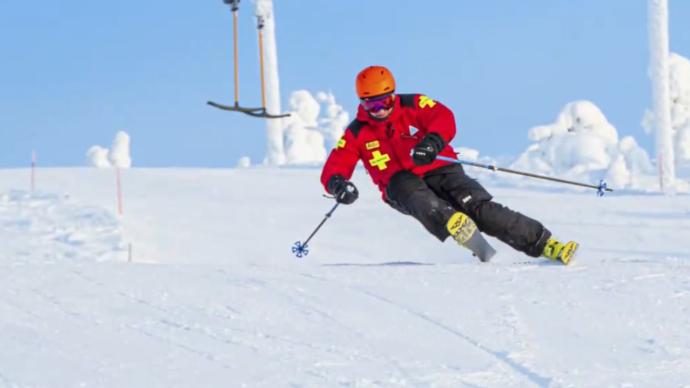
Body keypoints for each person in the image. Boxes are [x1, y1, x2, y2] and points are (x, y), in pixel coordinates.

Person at [320, 65, 578, 264]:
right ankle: (463, 231)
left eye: (384, 102)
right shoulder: (357, 132)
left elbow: (443, 116)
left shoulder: (414, 104)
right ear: (362, 103)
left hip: (441, 169)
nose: (379, 110)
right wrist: (337, 184)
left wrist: (432, 142)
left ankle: (546, 244)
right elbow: (337, 163)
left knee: (480, 209)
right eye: (371, 104)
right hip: (402, 188)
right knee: (405, 184)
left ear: (393, 96)